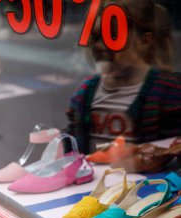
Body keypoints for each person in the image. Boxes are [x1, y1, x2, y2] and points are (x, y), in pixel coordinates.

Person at [65, 0, 181, 155]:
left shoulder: (169, 92)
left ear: (144, 41)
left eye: (113, 35)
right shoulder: (85, 92)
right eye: (95, 37)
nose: (99, 45)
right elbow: (73, 138)